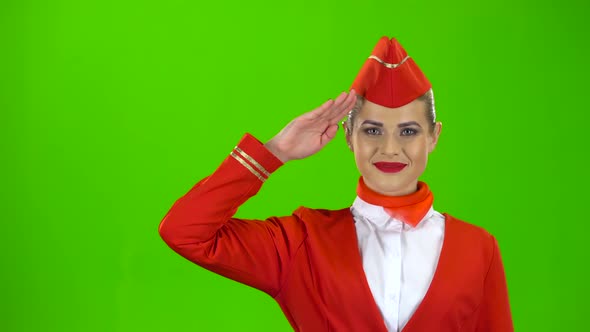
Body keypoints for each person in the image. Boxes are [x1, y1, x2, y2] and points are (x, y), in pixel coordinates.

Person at [158, 36, 514, 331]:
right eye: (372, 130)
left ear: (433, 137)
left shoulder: (479, 248)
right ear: (348, 135)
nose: (390, 148)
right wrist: (275, 151)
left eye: (409, 131)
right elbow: (184, 232)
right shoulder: (301, 242)